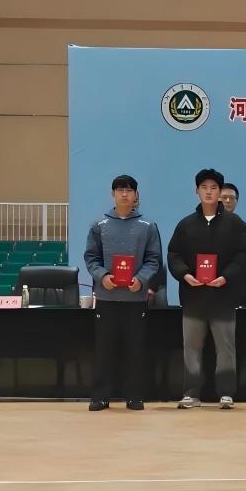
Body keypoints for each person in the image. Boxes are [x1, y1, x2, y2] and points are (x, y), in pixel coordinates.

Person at [167, 168, 246, 409]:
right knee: (191, 347)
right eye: (204, 188)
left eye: (213, 188)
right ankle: (191, 393)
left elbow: (244, 256)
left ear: (220, 192)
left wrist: (226, 277)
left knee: (225, 347)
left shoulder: (235, 224)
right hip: (193, 296)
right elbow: (173, 254)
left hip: (223, 296)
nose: (209, 192)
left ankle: (226, 393)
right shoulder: (186, 224)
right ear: (196, 191)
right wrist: (185, 274)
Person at [83, 174, 161, 411]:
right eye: (119, 190)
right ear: (112, 194)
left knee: (135, 349)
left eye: (129, 190)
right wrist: (103, 276)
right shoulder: (99, 225)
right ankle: (100, 396)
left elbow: (154, 259)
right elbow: (91, 257)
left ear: (136, 195)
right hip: (106, 297)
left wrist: (141, 279)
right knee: (104, 349)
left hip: (135, 298)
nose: (124, 194)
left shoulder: (148, 226)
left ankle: (134, 396)